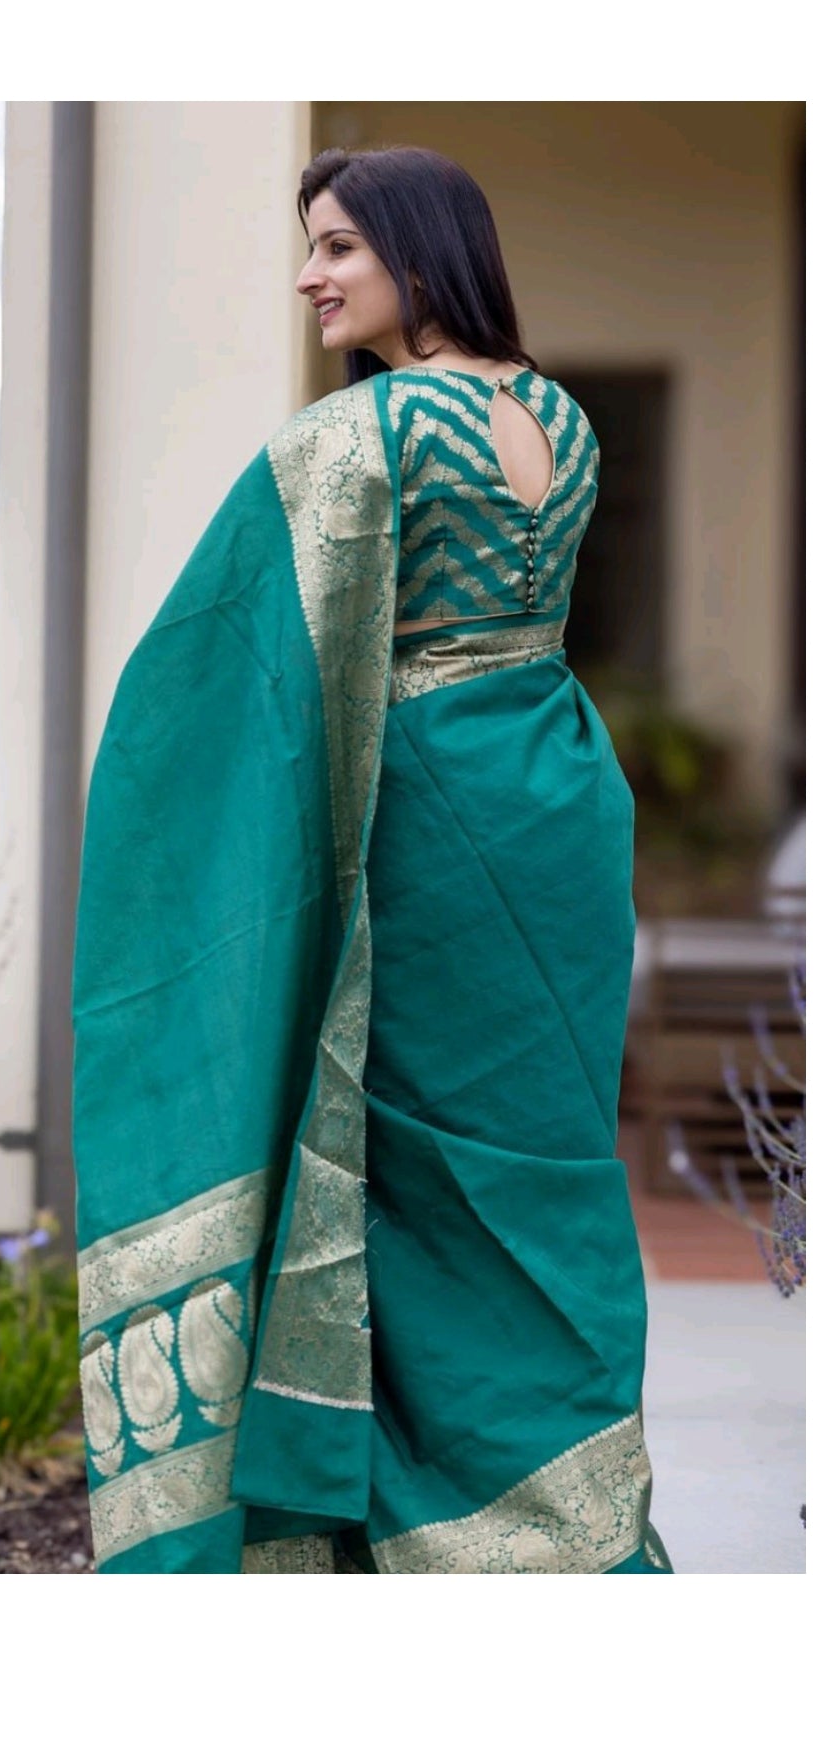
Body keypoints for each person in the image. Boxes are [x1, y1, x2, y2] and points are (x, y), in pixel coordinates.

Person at [71, 144, 672, 1574]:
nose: (309, 273)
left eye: (339, 244)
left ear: (419, 250)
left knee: (396, 1169)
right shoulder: (566, 420)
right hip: (560, 810)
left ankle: (414, 1522)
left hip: (435, 829)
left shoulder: (364, 436)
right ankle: (577, 1518)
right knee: (540, 1164)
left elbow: (214, 671)